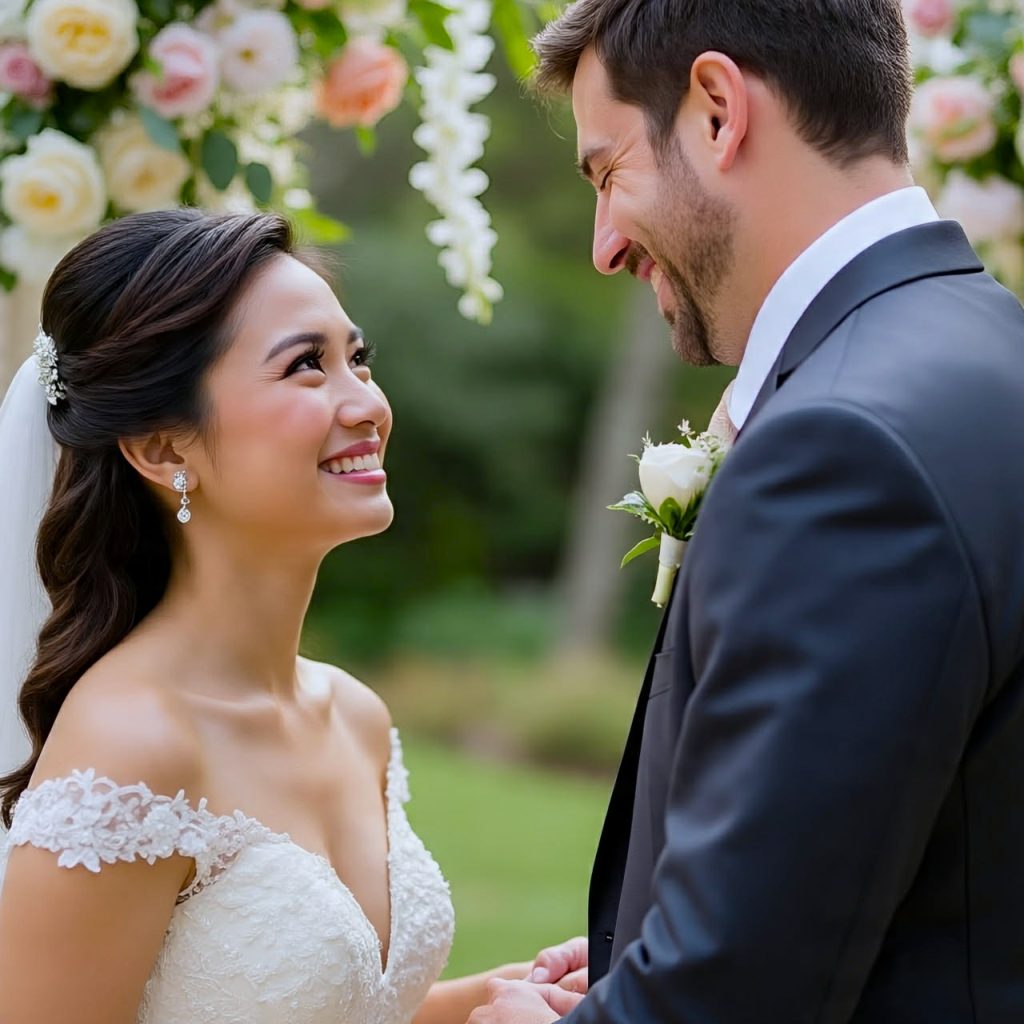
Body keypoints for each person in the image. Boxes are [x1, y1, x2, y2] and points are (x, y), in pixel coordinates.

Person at [470, 0, 1024, 1021]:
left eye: (606, 172)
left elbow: (733, 999)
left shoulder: (843, 447)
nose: (603, 243)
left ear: (718, 110)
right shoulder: (991, 349)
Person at [0, 209, 532, 1023]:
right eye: (306, 368)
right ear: (164, 448)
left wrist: (485, 1003)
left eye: (358, 358)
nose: (366, 405)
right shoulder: (131, 748)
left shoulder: (356, 716)